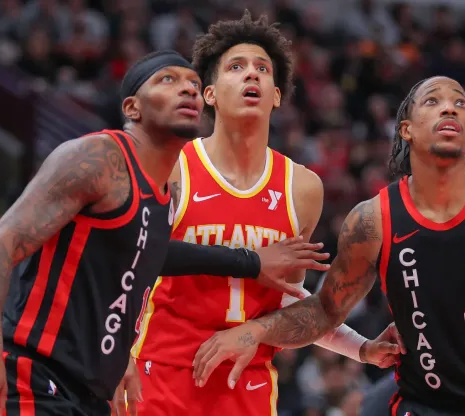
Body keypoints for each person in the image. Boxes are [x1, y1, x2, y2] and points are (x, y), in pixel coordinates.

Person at [193, 76, 465, 415]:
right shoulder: (373, 220)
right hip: (424, 405)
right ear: (405, 129)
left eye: (460, 104)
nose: (450, 108)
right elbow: (324, 310)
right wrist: (256, 331)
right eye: (433, 101)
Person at [0, 51, 330, 416]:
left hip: (89, 393)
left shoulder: (163, 197)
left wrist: (120, 355)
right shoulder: (99, 158)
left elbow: (157, 257)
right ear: (133, 108)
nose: (188, 90)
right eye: (168, 80)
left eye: (194, 86)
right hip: (34, 376)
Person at [122, 12, 399, 416]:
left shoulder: (302, 189)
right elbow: (127, 269)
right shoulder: (175, 166)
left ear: (276, 95)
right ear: (210, 94)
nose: (252, 75)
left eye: (262, 69)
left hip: (248, 387)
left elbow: (290, 301)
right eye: (237, 67)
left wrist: (360, 347)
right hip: (160, 378)